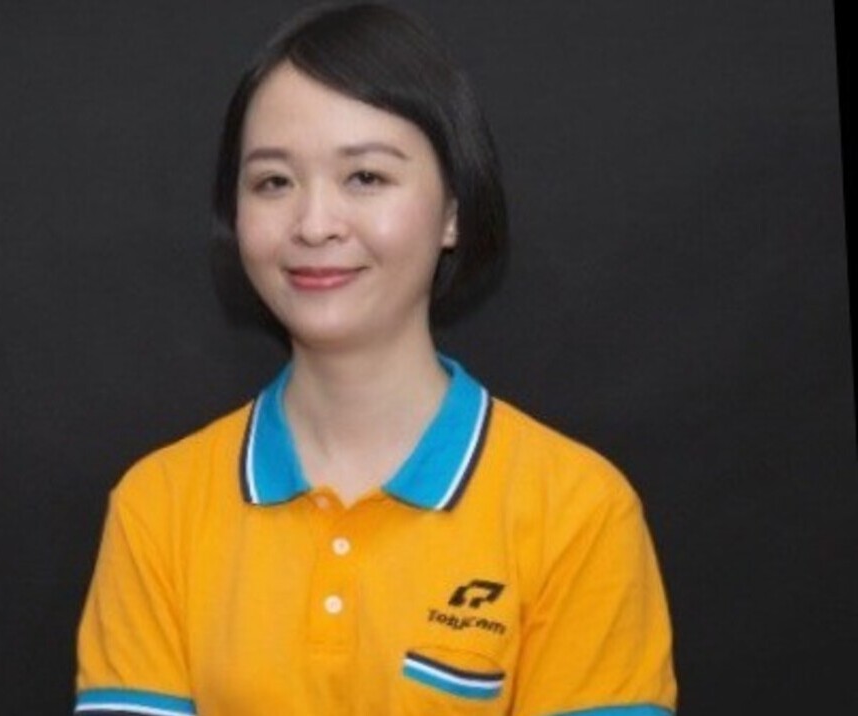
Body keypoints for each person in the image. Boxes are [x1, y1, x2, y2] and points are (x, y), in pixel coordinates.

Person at [73, 3, 677, 715]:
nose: (314, 225)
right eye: (274, 182)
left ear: (453, 209)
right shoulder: (158, 507)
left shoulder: (578, 511)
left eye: (364, 177)